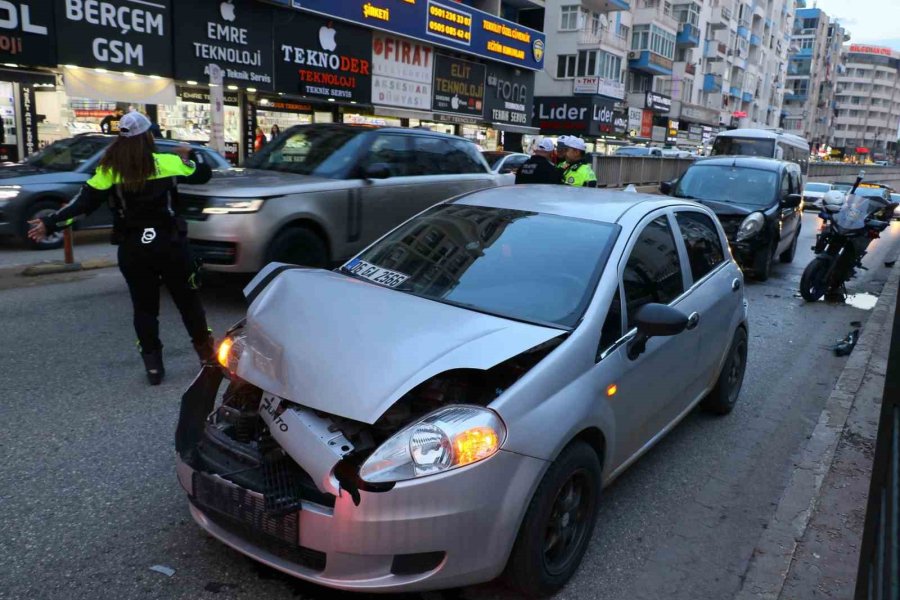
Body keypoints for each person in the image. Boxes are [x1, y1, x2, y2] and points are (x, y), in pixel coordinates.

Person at [27, 111, 215, 386]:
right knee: (189, 303)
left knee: (144, 309)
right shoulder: (170, 163)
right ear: (148, 136)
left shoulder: (109, 171)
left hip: (133, 250)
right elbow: (203, 175)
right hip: (171, 245)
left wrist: (48, 223)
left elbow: (82, 206)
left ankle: (153, 368)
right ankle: (208, 360)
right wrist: (191, 154)